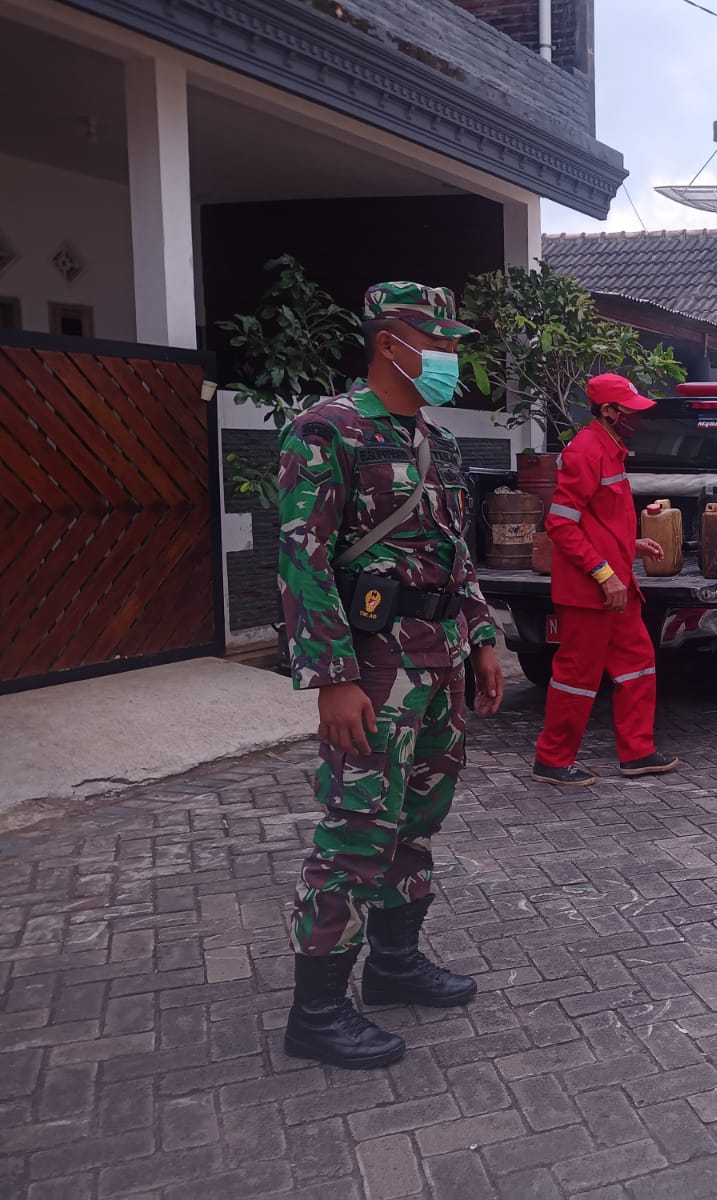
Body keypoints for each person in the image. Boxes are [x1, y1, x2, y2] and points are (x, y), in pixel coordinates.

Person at [278, 281, 506, 1069]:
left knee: (415, 821)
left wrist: (482, 637)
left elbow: (455, 551)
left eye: (449, 342)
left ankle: (396, 966)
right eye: (433, 340)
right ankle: (315, 1012)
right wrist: (332, 675)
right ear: (388, 342)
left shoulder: (436, 442)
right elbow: (301, 556)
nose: (446, 356)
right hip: (373, 668)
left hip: (436, 663)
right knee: (355, 831)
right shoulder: (327, 429)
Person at [532, 373, 679, 786]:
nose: (638, 418)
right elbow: (561, 525)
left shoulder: (611, 450)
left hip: (615, 588)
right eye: (630, 411)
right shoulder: (586, 451)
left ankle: (638, 753)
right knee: (577, 677)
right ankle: (553, 760)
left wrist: (632, 546)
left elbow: (596, 522)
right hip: (591, 591)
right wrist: (604, 574)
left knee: (638, 665)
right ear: (609, 411)